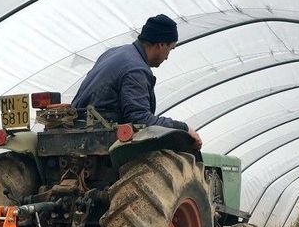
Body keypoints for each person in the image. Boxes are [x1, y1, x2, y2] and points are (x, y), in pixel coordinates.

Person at [72, 14, 203, 149]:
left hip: (78, 129)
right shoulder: (136, 69)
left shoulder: (112, 53)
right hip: (101, 138)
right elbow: (140, 118)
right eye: (170, 49)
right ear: (161, 44)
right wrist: (183, 128)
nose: (167, 57)